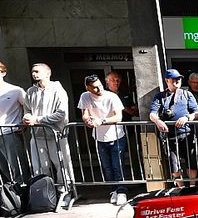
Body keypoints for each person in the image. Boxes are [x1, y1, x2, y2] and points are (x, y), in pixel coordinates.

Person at [23, 63, 76, 208]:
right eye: (32, 71)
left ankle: (65, 191)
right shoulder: (30, 91)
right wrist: (27, 117)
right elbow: (27, 109)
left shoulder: (57, 90)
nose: (34, 74)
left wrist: (38, 120)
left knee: (62, 165)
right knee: (39, 167)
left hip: (56, 135)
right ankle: (45, 194)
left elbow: (61, 114)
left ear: (47, 73)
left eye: (37, 71)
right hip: (37, 136)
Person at [78, 74, 127, 205]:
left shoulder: (112, 96)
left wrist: (101, 121)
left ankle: (121, 191)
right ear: (88, 88)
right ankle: (113, 191)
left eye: (100, 86)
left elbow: (118, 117)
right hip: (99, 138)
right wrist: (87, 120)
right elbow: (84, 113)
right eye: (94, 87)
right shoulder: (85, 96)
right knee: (107, 167)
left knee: (117, 166)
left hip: (116, 136)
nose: (99, 89)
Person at [149, 68, 198, 186]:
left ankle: (192, 187)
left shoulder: (187, 94)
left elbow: (197, 113)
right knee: (174, 165)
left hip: (186, 133)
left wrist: (187, 118)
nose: (176, 81)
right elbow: (152, 114)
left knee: (191, 162)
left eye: (178, 79)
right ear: (167, 81)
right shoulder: (160, 96)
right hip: (169, 136)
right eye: (173, 79)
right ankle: (181, 188)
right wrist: (158, 121)